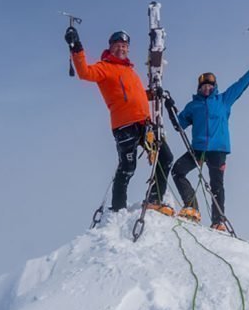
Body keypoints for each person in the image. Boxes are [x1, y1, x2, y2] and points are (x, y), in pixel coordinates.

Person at [65, 26, 174, 214]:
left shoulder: (130, 71)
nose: (121, 49)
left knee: (165, 157)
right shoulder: (104, 67)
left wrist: (152, 94)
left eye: (124, 46)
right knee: (128, 166)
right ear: (110, 47)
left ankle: (155, 198)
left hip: (144, 123)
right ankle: (118, 209)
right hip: (125, 126)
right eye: (117, 45)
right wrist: (76, 47)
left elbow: (135, 95)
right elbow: (84, 73)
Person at [168, 52, 249, 230]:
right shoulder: (194, 106)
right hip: (198, 149)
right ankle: (191, 207)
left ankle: (218, 221)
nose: (206, 89)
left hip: (218, 150)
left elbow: (242, 84)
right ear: (199, 88)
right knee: (178, 171)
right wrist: (169, 107)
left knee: (217, 185)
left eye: (209, 85)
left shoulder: (223, 100)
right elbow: (179, 124)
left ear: (214, 86)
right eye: (203, 86)